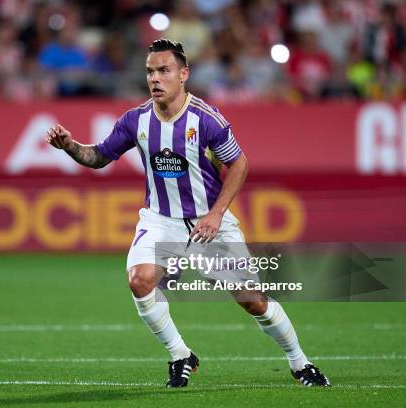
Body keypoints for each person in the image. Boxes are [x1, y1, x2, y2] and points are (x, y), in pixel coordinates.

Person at [46, 38, 330, 389]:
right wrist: (70, 146)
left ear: (183, 75)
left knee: (253, 302)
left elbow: (239, 164)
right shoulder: (136, 121)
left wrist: (216, 213)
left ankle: (300, 363)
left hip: (209, 224)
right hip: (161, 220)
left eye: (163, 71)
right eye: (150, 71)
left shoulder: (206, 120)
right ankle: (181, 355)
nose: (155, 78)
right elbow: (100, 156)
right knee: (140, 280)